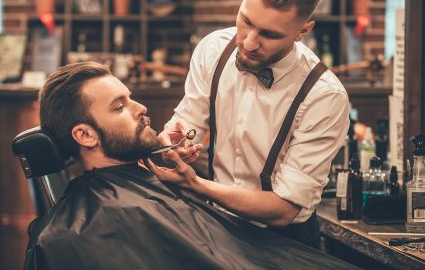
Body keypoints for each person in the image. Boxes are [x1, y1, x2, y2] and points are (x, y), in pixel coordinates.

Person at [23, 62, 357, 270]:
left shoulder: (151, 181)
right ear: (84, 134)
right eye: (119, 107)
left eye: (131, 97)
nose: (140, 108)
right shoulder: (74, 235)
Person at [152, 0, 350, 249]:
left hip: (285, 245)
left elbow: (285, 208)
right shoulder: (213, 50)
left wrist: (196, 185)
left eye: (269, 34)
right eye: (246, 20)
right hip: (217, 228)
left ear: (302, 31)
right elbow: (188, 121)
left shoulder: (324, 97)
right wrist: (174, 139)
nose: (248, 42)